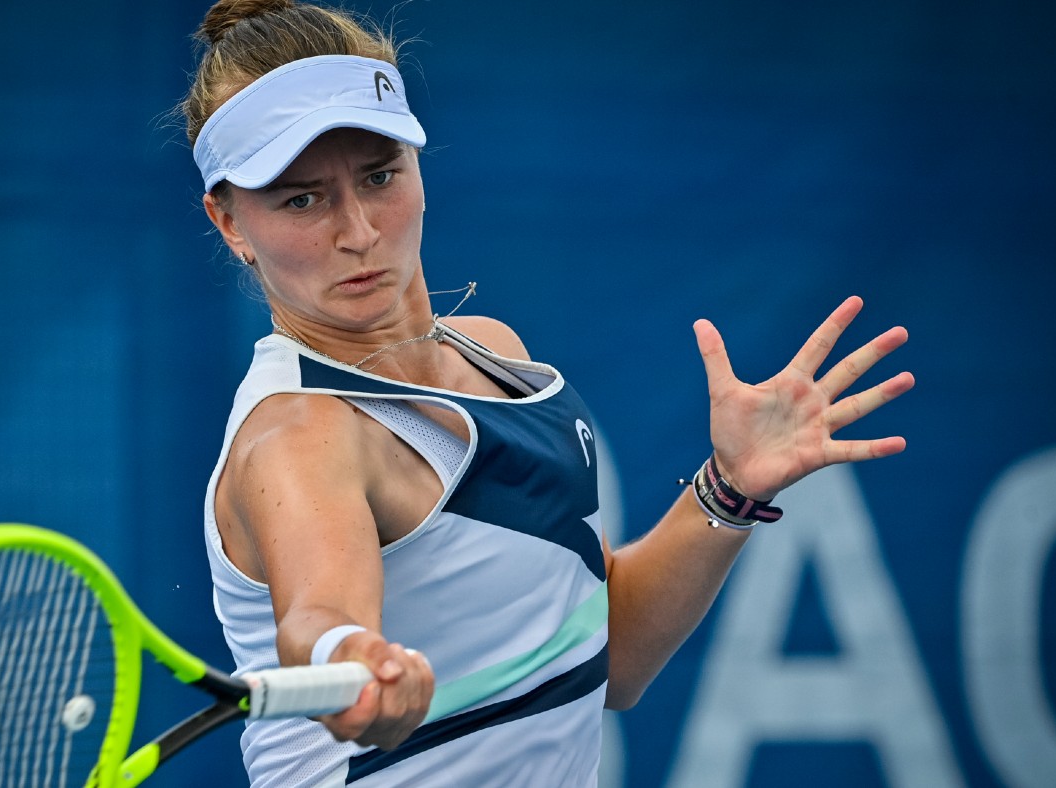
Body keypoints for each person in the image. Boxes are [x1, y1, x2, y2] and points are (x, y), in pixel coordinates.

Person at [180, 1, 915, 785]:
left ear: (418, 165)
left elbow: (611, 657)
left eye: (379, 175)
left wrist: (730, 487)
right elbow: (318, 619)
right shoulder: (299, 436)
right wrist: (352, 663)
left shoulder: (496, 354)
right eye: (301, 199)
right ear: (230, 223)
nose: (358, 231)